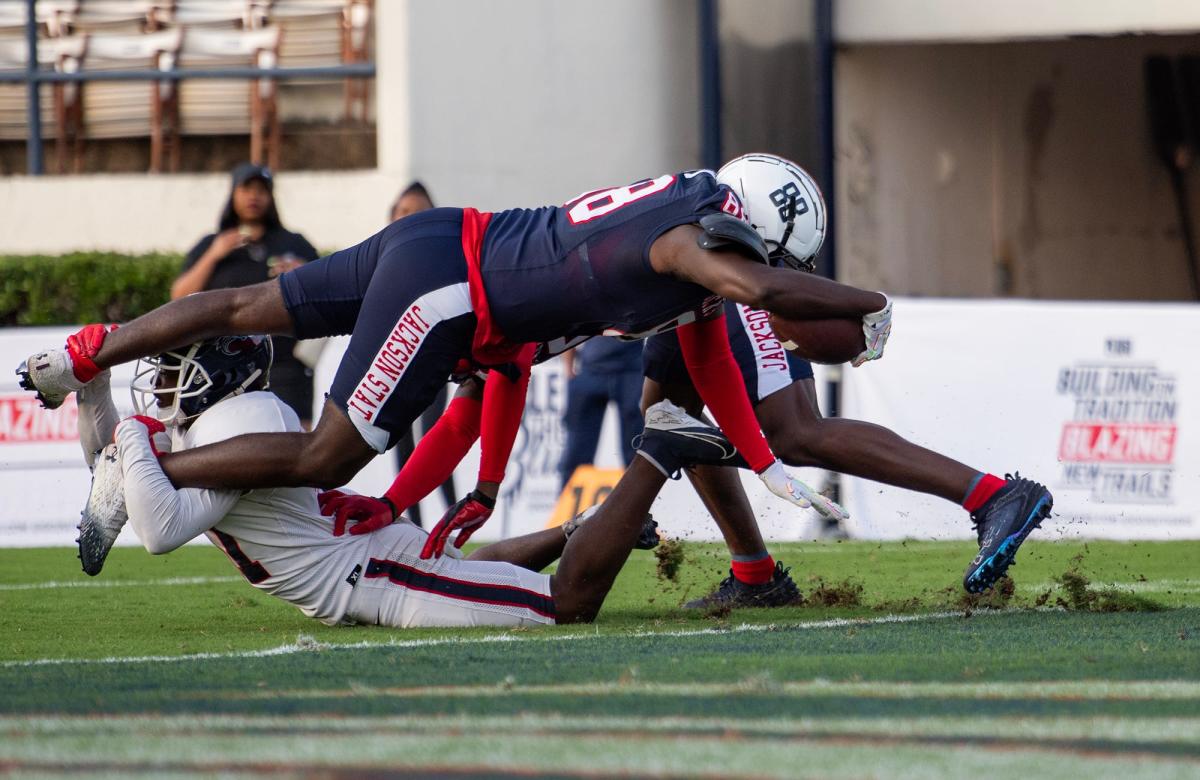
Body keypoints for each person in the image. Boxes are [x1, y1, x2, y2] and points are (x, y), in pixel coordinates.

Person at [20, 154, 893, 575]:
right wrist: (871, 304)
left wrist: (475, 491)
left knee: (252, 307)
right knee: (327, 453)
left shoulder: (682, 223)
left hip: (442, 241)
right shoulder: (691, 250)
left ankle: (85, 351)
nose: (775, 275)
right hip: (453, 288)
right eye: (783, 259)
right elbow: (759, 289)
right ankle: (139, 457)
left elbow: (501, 380)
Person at [71, 334, 732, 627]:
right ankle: (577, 529)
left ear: (214, 371)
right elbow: (107, 466)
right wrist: (88, 382)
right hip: (364, 555)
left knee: (565, 606)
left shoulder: (241, 420)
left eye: (173, 365)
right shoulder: (204, 423)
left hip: (368, 576)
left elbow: (157, 528)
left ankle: (655, 451)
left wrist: (128, 435)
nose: (159, 382)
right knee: (467, 572)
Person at [641, 156, 1053, 600]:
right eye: (773, 261)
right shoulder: (694, 239)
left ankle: (991, 495)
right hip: (685, 283)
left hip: (696, 283)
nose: (779, 276)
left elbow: (763, 289)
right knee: (669, 420)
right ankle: (755, 576)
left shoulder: (698, 226)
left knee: (792, 432)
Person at [171, 162, 320, 426]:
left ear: (271, 197)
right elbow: (179, 296)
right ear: (233, 195)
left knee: (296, 442)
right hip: (222, 371)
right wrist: (214, 255)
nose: (254, 195)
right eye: (246, 188)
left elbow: (326, 293)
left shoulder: (294, 243)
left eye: (262, 189)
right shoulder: (212, 244)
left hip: (286, 369)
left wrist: (304, 272)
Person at [385, 180, 455, 526]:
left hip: (436, 360)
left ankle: (453, 518)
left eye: (418, 211)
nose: (409, 218)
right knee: (398, 440)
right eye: (403, 211)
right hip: (397, 363)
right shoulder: (382, 260)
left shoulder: (445, 259)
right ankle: (410, 523)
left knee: (434, 439)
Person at [557, 337, 645, 487]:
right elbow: (567, 321)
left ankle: (641, 505)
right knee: (575, 455)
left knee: (636, 454)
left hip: (631, 370)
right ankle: (568, 506)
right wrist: (568, 370)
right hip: (591, 369)